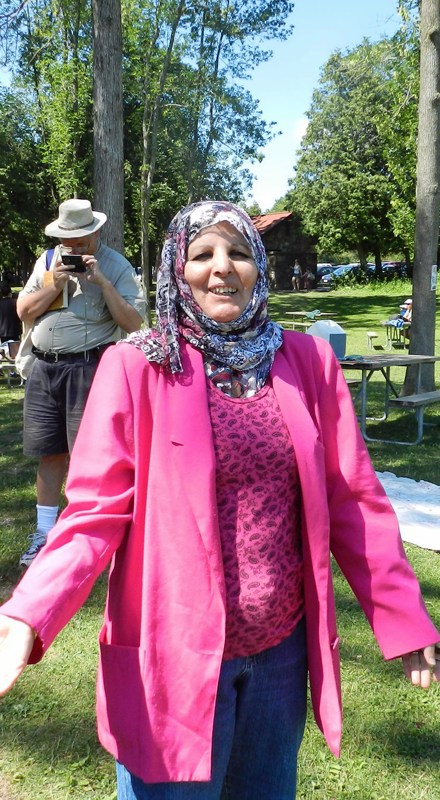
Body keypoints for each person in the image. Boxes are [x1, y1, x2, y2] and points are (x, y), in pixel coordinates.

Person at [0, 201, 439, 800]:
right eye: (201, 255)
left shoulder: (308, 362)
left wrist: (402, 618)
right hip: (173, 661)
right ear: (177, 271)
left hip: (279, 658)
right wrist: (29, 614)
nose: (221, 268)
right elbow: (93, 514)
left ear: (259, 264)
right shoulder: (134, 367)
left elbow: (354, 501)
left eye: (236, 252)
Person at [16, 199, 145, 567]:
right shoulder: (47, 261)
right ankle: (44, 534)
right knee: (49, 452)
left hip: (89, 369)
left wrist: (102, 283)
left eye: (79, 239)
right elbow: (24, 311)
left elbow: (135, 323)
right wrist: (53, 282)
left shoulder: (116, 265)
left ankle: (91, 534)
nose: (72, 247)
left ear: (95, 232)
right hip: (44, 369)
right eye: (66, 239)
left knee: (93, 457)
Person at [0, 282, 21, 359]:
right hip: (14, 330)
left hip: (3, 332)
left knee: (4, 353)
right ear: (10, 293)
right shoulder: (16, 303)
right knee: (15, 354)